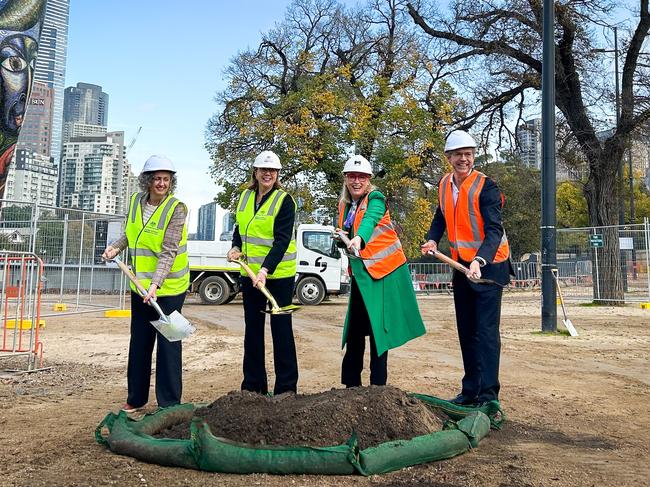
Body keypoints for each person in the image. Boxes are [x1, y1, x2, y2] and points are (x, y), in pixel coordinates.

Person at [421, 130, 513, 406]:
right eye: (459, 154)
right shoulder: (444, 184)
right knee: (466, 330)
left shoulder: (487, 187)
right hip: (461, 265)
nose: (464, 159)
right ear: (449, 158)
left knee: (485, 333)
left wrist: (480, 260)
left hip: (489, 267)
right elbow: (441, 216)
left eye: (468, 154)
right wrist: (431, 238)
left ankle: (488, 397)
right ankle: (470, 390)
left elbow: (494, 231)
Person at [102, 155, 189, 413]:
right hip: (139, 286)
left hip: (169, 288)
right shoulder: (135, 202)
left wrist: (156, 285)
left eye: (166, 179)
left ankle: (169, 403)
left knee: (168, 343)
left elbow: (169, 251)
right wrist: (115, 248)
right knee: (139, 342)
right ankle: (136, 398)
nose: (162, 183)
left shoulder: (177, 209)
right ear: (147, 181)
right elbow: (130, 235)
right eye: (157, 179)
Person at [337, 154, 425, 387]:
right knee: (355, 330)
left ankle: (378, 386)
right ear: (346, 179)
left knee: (379, 331)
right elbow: (348, 231)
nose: (357, 181)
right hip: (361, 276)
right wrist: (342, 239)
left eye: (362, 177)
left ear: (369, 180)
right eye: (352, 176)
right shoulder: (345, 205)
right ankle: (351, 384)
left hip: (383, 274)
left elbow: (370, 221)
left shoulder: (375, 198)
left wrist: (358, 238)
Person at [226, 150, 299, 395]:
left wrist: (266, 270)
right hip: (250, 277)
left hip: (278, 277)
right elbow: (240, 229)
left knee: (281, 332)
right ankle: (253, 386)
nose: (267, 174)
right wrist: (235, 247)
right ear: (255, 172)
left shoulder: (285, 201)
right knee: (253, 331)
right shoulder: (245, 197)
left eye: (272, 171)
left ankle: (286, 389)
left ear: (277, 174)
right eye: (263, 170)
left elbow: (281, 241)